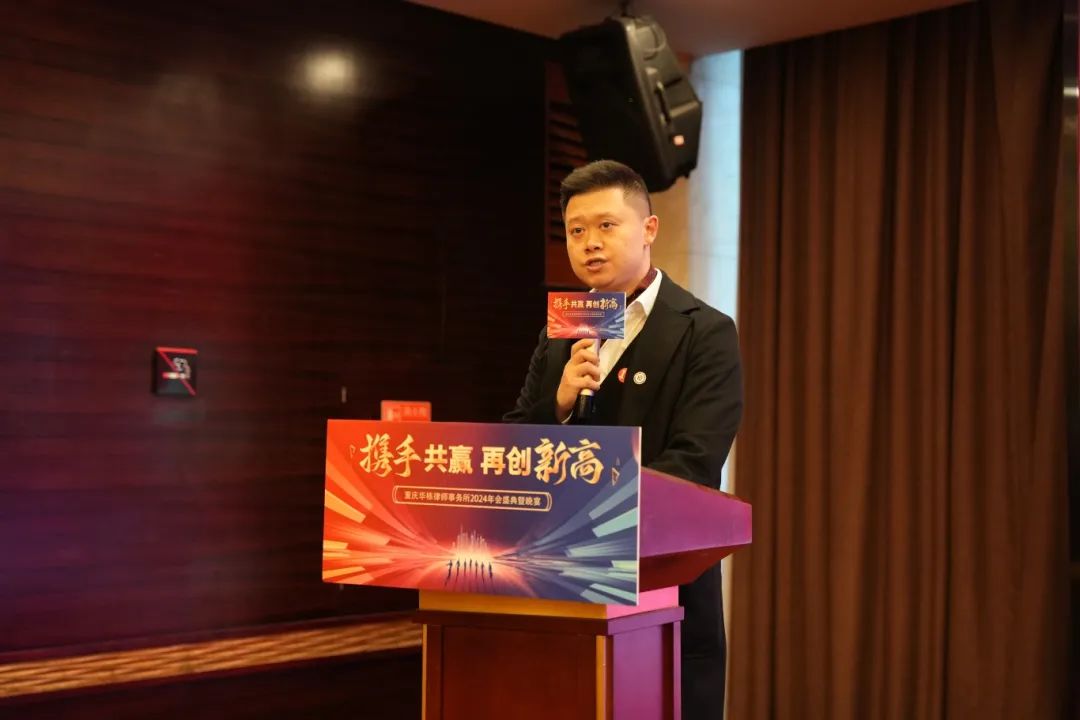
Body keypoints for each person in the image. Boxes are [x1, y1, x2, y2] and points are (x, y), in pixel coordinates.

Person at [503, 159, 742, 718]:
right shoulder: (560, 332)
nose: (589, 242)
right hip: (559, 588)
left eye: (606, 225)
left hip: (659, 590)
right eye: (576, 230)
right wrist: (558, 405)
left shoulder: (705, 331)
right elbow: (514, 449)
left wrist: (595, 523)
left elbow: (694, 465)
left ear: (648, 229)